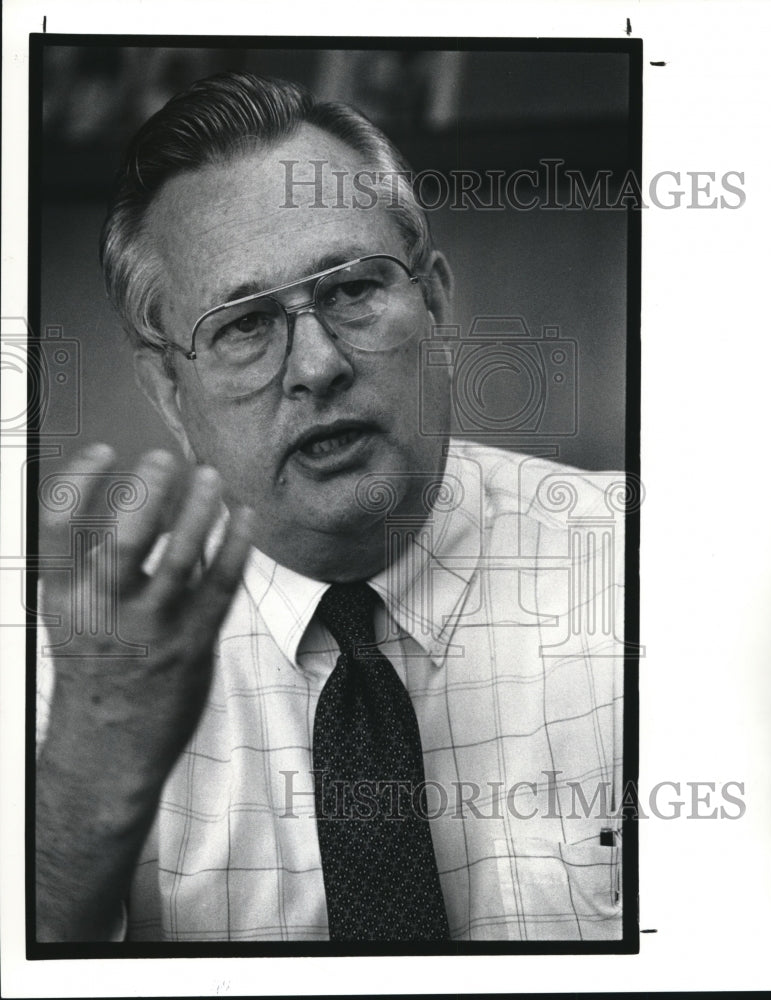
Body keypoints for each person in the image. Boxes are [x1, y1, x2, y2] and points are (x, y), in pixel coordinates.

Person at [36, 72, 626, 943]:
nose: (316, 364)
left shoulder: (649, 569)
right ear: (168, 388)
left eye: (351, 289)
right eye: (243, 324)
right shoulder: (70, 682)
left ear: (434, 302)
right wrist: (90, 784)